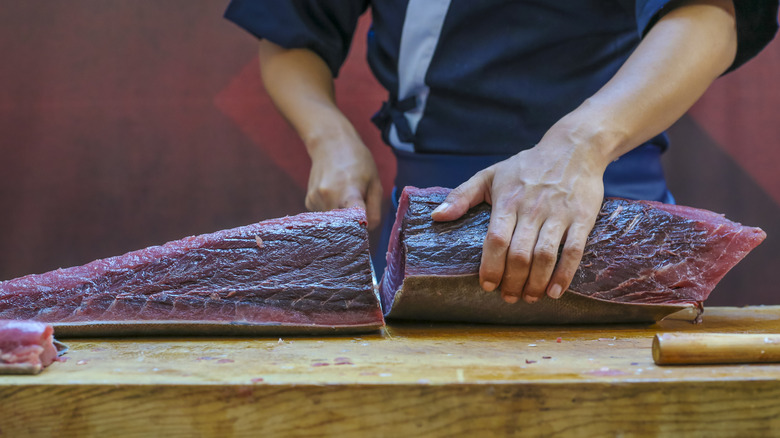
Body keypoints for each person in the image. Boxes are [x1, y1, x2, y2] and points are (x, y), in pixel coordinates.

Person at [224, 1, 778, 305]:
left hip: (608, 207)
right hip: (429, 222)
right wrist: (329, 137)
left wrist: (578, 147)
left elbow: (713, 14)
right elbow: (290, 29)